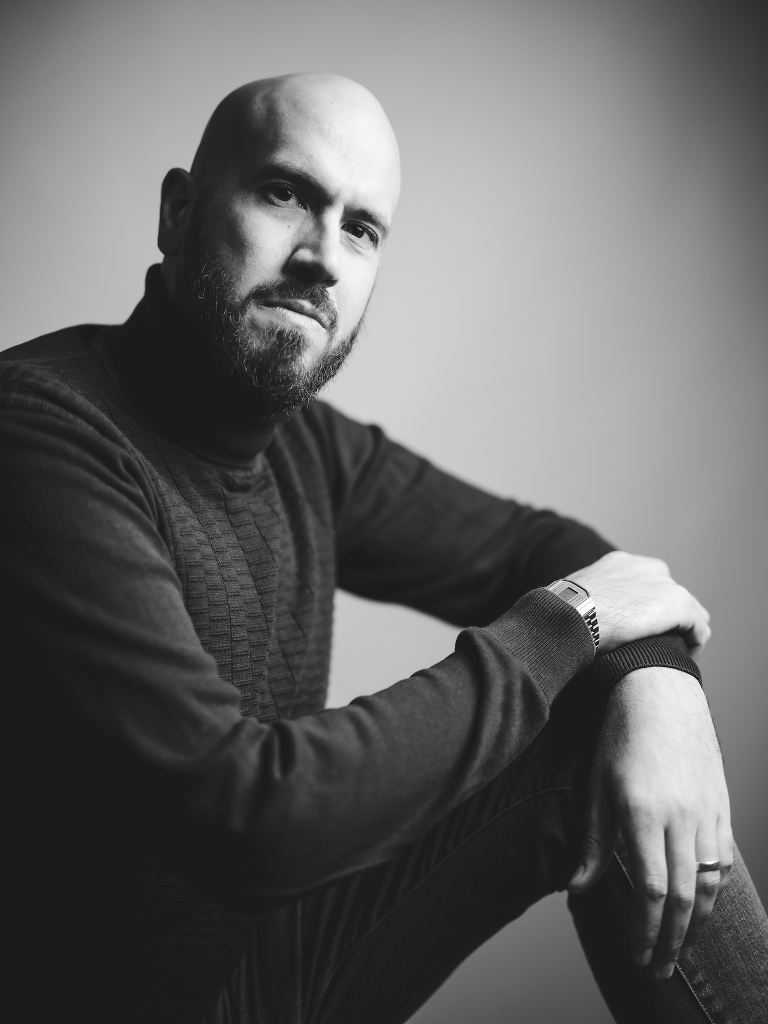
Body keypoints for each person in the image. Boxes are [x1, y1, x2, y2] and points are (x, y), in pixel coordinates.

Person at [1, 73, 765, 1024]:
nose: (323, 257)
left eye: (361, 229)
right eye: (285, 193)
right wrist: (571, 624)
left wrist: (659, 686)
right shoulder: (41, 434)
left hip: (259, 973)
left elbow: (541, 548)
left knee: (595, 721)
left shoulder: (307, 449)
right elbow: (250, 818)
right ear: (178, 213)